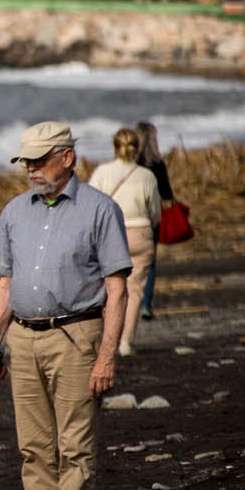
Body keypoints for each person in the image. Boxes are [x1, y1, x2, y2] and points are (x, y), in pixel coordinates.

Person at [0, 121, 131, 490]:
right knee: (34, 450)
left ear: (67, 157)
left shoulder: (100, 210)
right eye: (26, 161)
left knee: (75, 448)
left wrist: (107, 356)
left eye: (39, 160)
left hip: (77, 339)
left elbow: (117, 288)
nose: (31, 169)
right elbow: (5, 282)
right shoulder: (14, 212)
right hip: (24, 340)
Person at [88, 128, 162, 358]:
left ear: (114, 147)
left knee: (105, 288)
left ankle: (103, 339)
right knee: (134, 290)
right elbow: (155, 213)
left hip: (110, 234)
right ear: (137, 149)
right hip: (140, 232)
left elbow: (90, 206)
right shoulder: (147, 176)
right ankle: (125, 342)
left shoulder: (102, 172)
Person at [134, 121, 174, 321]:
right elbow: (167, 193)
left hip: (128, 219)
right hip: (150, 220)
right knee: (149, 264)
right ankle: (145, 305)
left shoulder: (131, 163)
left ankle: (129, 301)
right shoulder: (158, 164)